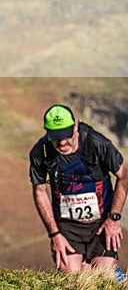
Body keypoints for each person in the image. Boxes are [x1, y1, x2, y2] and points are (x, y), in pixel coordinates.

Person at [29, 104, 128, 273]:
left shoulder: (97, 143)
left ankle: (116, 277)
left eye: (65, 135)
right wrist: (54, 234)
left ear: (75, 126)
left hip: (102, 222)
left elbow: (124, 175)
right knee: (71, 278)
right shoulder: (41, 152)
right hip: (67, 226)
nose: (62, 142)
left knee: (102, 277)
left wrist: (114, 218)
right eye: (55, 137)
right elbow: (39, 191)